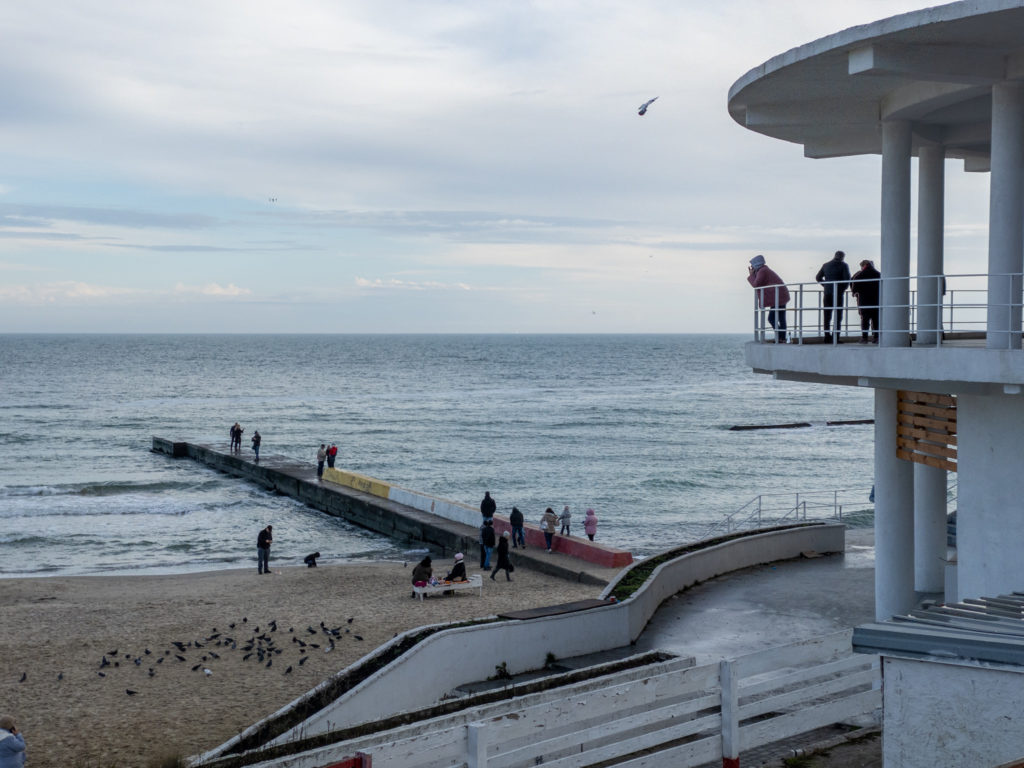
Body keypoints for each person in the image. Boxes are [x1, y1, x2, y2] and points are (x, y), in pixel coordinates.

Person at [747, 255, 790, 342]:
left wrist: (751, 275)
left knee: (771, 318)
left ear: (756, 264)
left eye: (752, 265)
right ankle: (781, 338)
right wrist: (753, 274)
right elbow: (759, 282)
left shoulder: (763, 271)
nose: (751, 267)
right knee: (781, 317)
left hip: (778, 297)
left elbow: (756, 284)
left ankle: (780, 337)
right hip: (779, 296)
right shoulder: (764, 270)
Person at [815, 250, 851, 342]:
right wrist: (842, 289)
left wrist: (826, 285)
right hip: (838, 294)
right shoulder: (844, 265)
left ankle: (827, 337)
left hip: (827, 294)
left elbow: (818, 277)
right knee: (838, 316)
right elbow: (847, 280)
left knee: (827, 316)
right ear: (842, 257)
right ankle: (836, 338)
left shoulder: (826, 265)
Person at [851, 259, 881, 344]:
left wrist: (854, 293)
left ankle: (864, 338)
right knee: (876, 320)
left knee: (865, 320)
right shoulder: (878, 274)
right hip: (876, 300)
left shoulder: (859, 275)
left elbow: (854, 289)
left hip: (864, 301)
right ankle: (876, 338)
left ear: (863, 266)